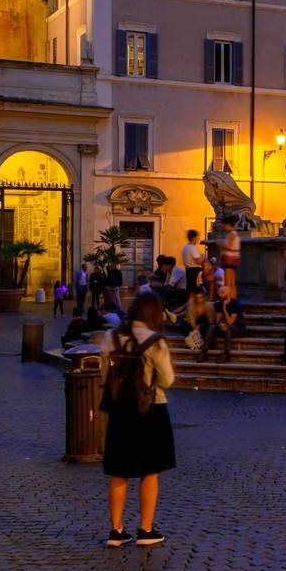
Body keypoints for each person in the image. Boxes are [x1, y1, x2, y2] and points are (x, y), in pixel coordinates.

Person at [100, 291, 175, 548]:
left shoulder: (111, 337)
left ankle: (116, 530)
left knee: (118, 472)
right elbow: (167, 380)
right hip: (151, 409)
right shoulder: (156, 341)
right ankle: (145, 529)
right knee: (149, 471)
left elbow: (104, 375)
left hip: (120, 411)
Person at [199, 285, 244, 362]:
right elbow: (218, 319)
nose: (219, 294)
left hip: (237, 327)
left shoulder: (236, 304)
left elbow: (230, 322)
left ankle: (226, 354)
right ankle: (204, 352)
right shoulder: (219, 304)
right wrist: (219, 323)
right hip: (224, 327)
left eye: (222, 292)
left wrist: (224, 308)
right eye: (219, 292)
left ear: (228, 293)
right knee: (212, 327)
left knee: (227, 328)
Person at [181, 230, 205, 295]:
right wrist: (203, 256)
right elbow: (198, 261)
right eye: (198, 237)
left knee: (190, 291)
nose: (199, 239)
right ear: (193, 238)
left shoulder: (185, 247)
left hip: (188, 271)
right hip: (195, 272)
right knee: (196, 291)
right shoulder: (192, 248)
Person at [220, 226, 241, 299]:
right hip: (233, 260)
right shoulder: (235, 233)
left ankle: (228, 302)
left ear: (228, 224)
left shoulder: (232, 234)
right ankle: (233, 300)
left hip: (229, 260)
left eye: (225, 224)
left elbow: (229, 246)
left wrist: (221, 245)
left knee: (227, 284)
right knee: (232, 284)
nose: (224, 226)